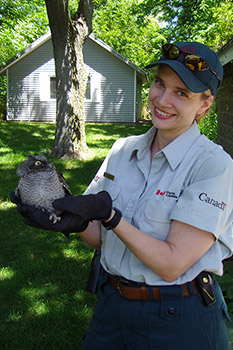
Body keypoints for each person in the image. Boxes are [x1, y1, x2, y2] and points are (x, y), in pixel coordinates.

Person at [11, 41, 233, 349]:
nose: (163, 100)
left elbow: (172, 264)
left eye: (181, 93)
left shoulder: (213, 165)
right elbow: (101, 237)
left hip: (178, 315)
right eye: (159, 83)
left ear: (205, 105)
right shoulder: (122, 149)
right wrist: (71, 221)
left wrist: (111, 216)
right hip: (112, 304)